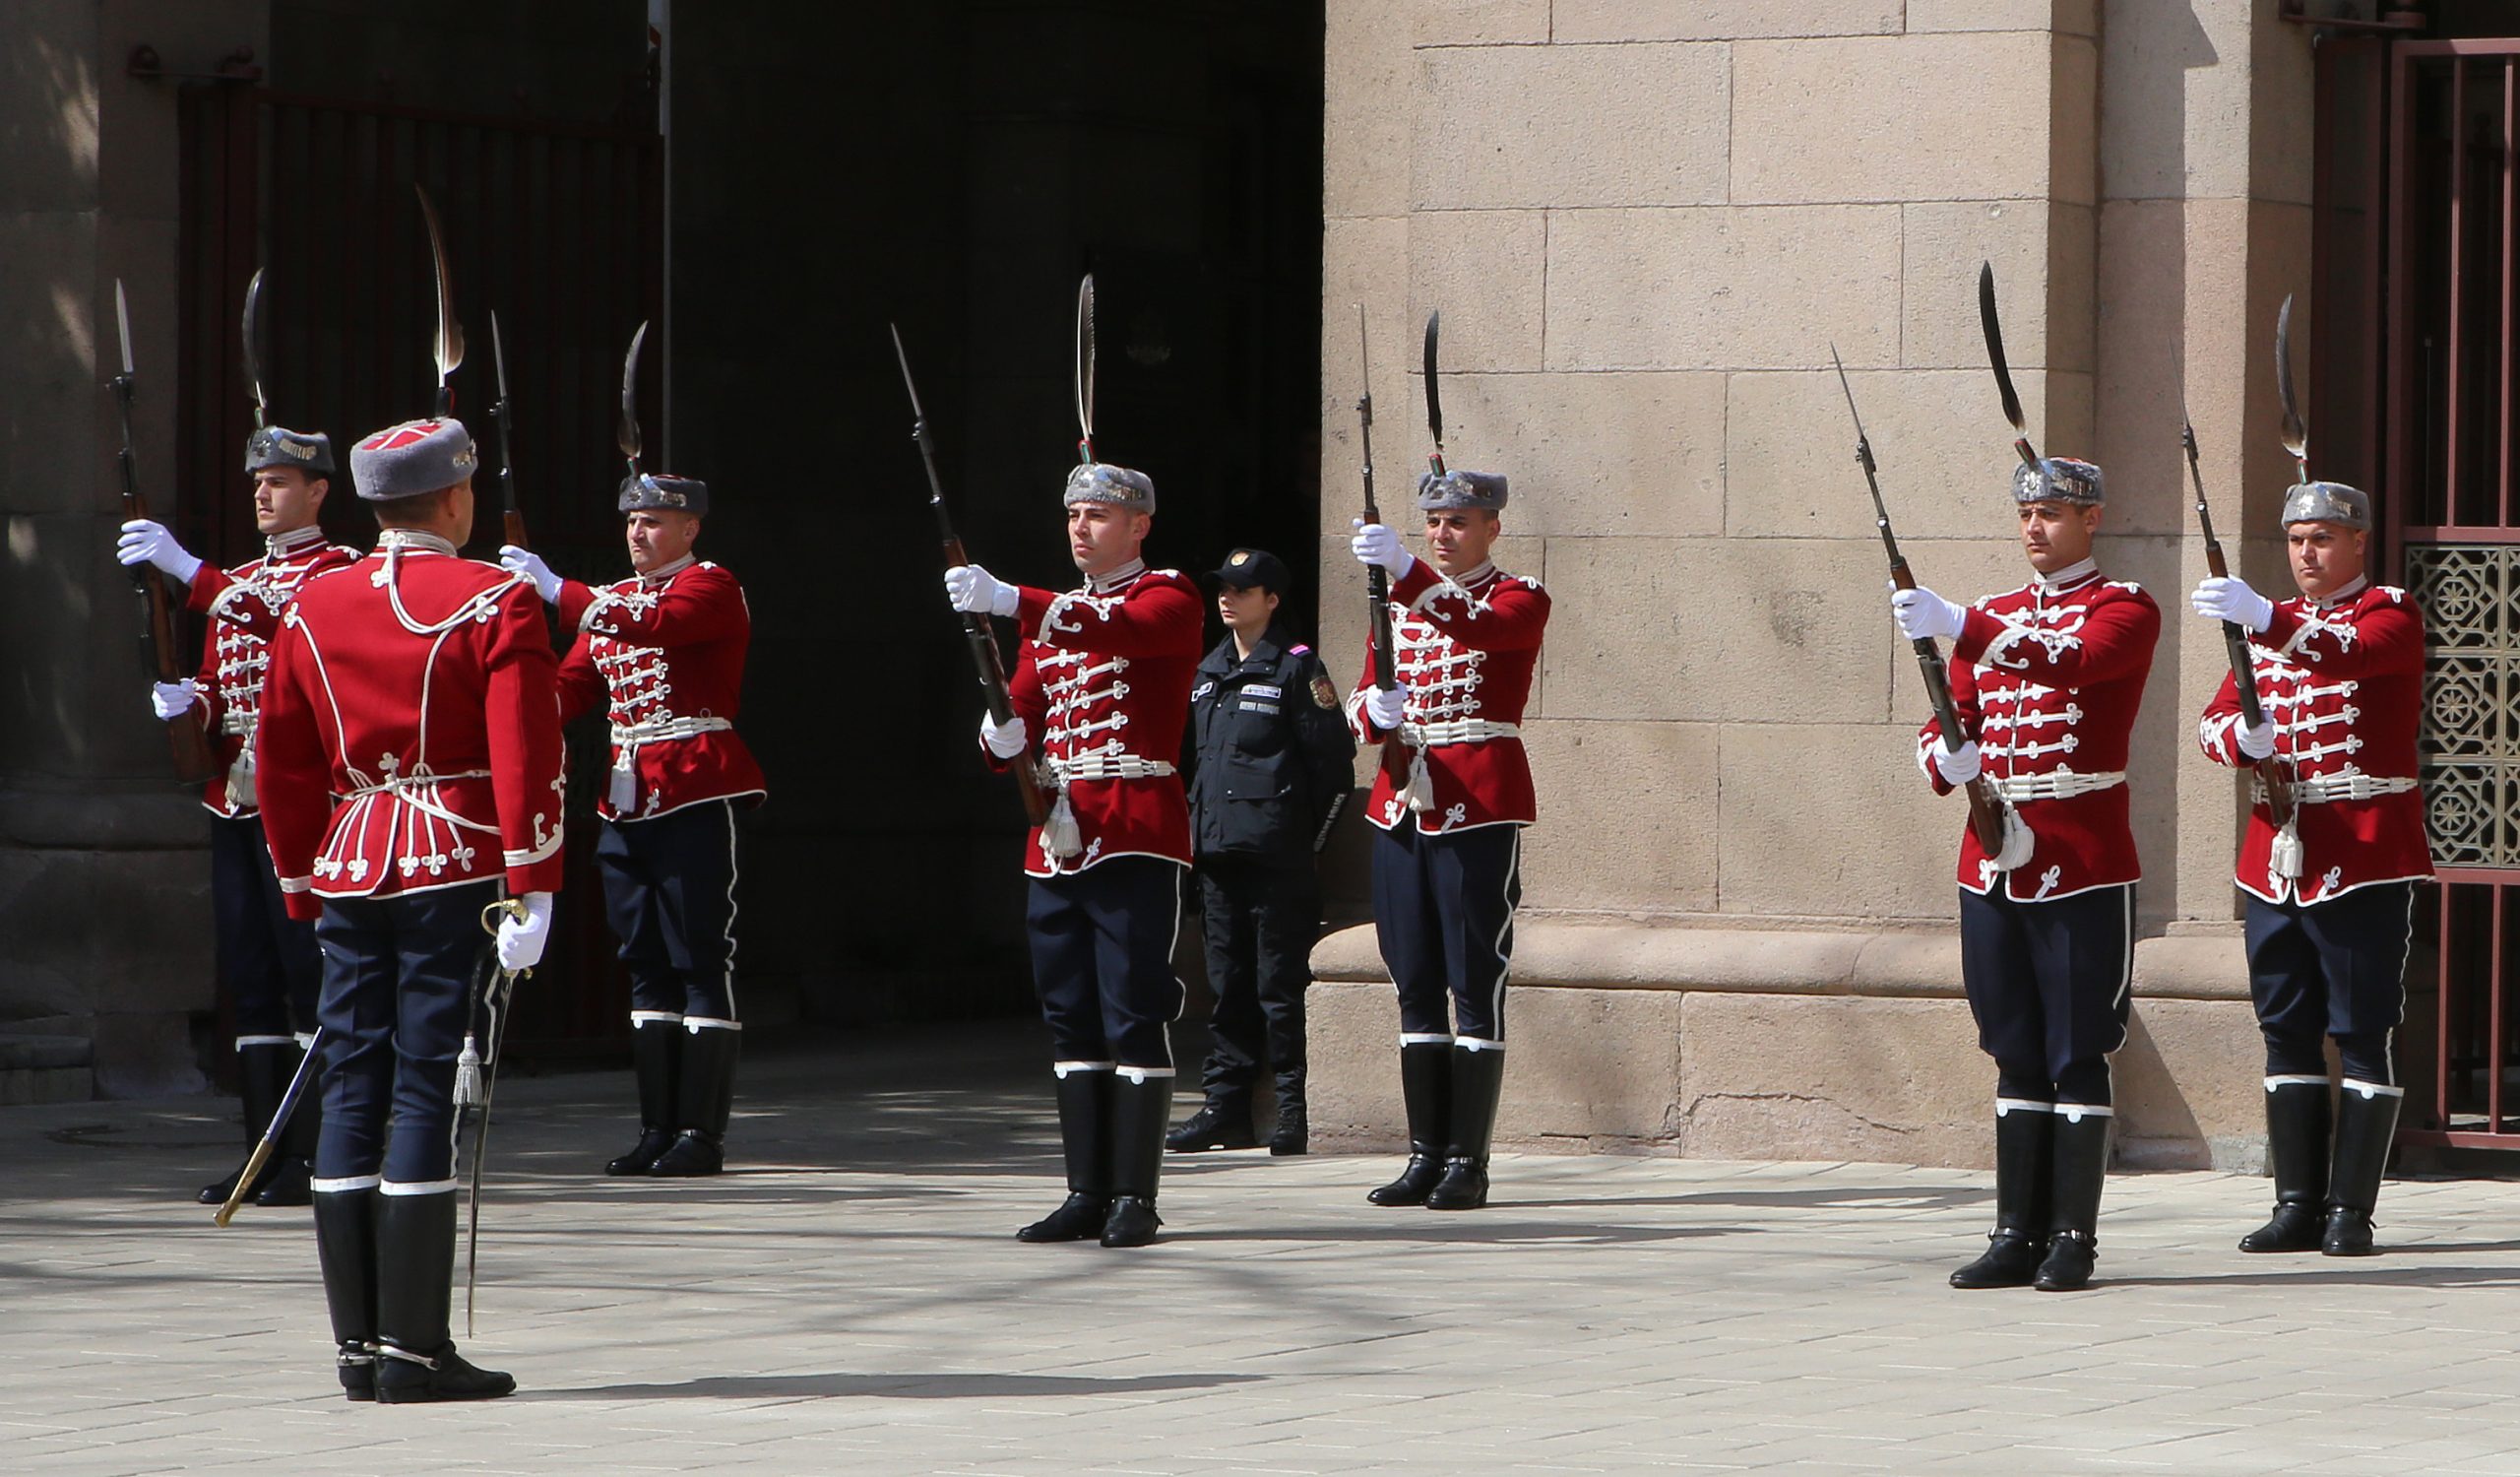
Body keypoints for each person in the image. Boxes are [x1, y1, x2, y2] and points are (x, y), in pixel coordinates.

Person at [255, 417, 564, 1401]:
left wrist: (300, 879)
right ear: (455, 500)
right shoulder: (495, 598)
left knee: (352, 1082)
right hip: (455, 859)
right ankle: (414, 1350)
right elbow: (526, 746)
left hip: (350, 864)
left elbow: (283, 756)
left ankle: (358, 1345)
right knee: (428, 1083)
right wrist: (535, 879)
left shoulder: (311, 607)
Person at [1892, 456, 2159, 1293]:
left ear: (2092, 519)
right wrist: (1948, 754)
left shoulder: (2124, 609)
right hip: (1993, 856)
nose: (2035, 527)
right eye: (2027, 514)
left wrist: (1959, 624)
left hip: (2079, 857)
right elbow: (1951, 717)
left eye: (2052, 513)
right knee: (2012, 1048)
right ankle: (2015, 1231)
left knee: (2078, 1050)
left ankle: (2072, 1236)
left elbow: (2068, 663)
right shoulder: (1997, 615)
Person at [944, 460, 1202, 1248]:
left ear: (1138, 525)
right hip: (1057, 831)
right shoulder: (1050, 621)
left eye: (1098, 515)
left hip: (1133, 824)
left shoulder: (1171, 594)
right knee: (1070, 1016)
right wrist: (1000, 736)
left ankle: (1136, 1195)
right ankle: (1086, 1190)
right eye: (1074, 516)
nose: (1082, 528)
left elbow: (1124, 632)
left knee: (1133, 1006)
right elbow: (1022, 701)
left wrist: (1015, 598)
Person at [117, 426, 357, 1208]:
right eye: (259, 481)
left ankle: (326, 1151)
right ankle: (267, 1156)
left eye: (282, 481)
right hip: (236, 798)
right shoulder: (239, 583)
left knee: (310, 974)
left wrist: (190, 571)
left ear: (319, 491)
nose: (263, 493)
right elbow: (229, 682)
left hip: (307, 807)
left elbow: (291, 630)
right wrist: (192, 704)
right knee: (251, 981)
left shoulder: (342, 573)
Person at [2191, 480, 2429, 1256]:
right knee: (2285, 1028)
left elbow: (2348, 655)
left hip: (2360, 849)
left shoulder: (2389, 611)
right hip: (2277, 851)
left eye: (2324, 539)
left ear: (2359, 543)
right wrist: (2240, 742)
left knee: (2361, 1030)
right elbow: (2214, 721)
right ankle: (2296, 1203)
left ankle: (2350, 1212)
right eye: (2297, 541)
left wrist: (2265, 617)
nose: (2308, 554)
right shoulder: (2267, 633)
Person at [502, 475, 765, 1178]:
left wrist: (559, 590)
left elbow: (660, 627)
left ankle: (700, 1135)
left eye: (654, 522)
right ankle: (656, 1127)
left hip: (693, 787)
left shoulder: (711, 586)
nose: (639, 534)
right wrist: (513, 676)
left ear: (690, 529)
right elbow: (573, 689)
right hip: (626, 797)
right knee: (643, 959)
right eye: (632, 522)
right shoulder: (611, 604)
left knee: (700, 955)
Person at [1347, 470, 1549, 1212]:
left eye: (1459, 522)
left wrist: (1404, 571)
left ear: (1492, 526)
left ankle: (1469, 1158)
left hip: (1476, 801)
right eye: (1433, 523)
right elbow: (1362, 702)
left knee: (1474, 977)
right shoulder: (1397, 611)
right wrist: (1375, 711)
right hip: (1400, 801)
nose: (1442, 535)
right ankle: (1425, 1153)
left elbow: (1484, 631)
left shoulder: (1518, 596)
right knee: (1414, 978)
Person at [1167, 547, 1355, 1157]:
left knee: (1279, 984)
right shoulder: (1208, 673)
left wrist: (1303, 842)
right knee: (1227, 987)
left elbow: (1332, 765)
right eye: (1223, 587)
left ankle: (1293, 1110)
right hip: (1219, 854)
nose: (1228, 597)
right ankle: (1226, 1108)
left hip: (1277, 858)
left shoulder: (1297, 669)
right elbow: (1194, 765)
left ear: (1271, 600)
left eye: (1243, 590)